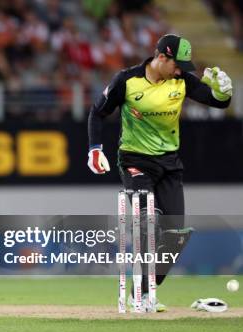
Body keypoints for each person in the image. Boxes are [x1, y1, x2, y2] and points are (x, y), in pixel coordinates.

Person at [87, 34, 233, 311]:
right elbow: (97, 112)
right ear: (161, 57)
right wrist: (95, 150)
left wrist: (223, 94)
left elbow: (217, 102)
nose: (180, 71)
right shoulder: (127, 80)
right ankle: (140, 295)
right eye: (177, 64)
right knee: (148, 222)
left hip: (170, 164)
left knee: (177, 235)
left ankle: (140, 293)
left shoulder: (181, 81)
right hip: (135, 161)